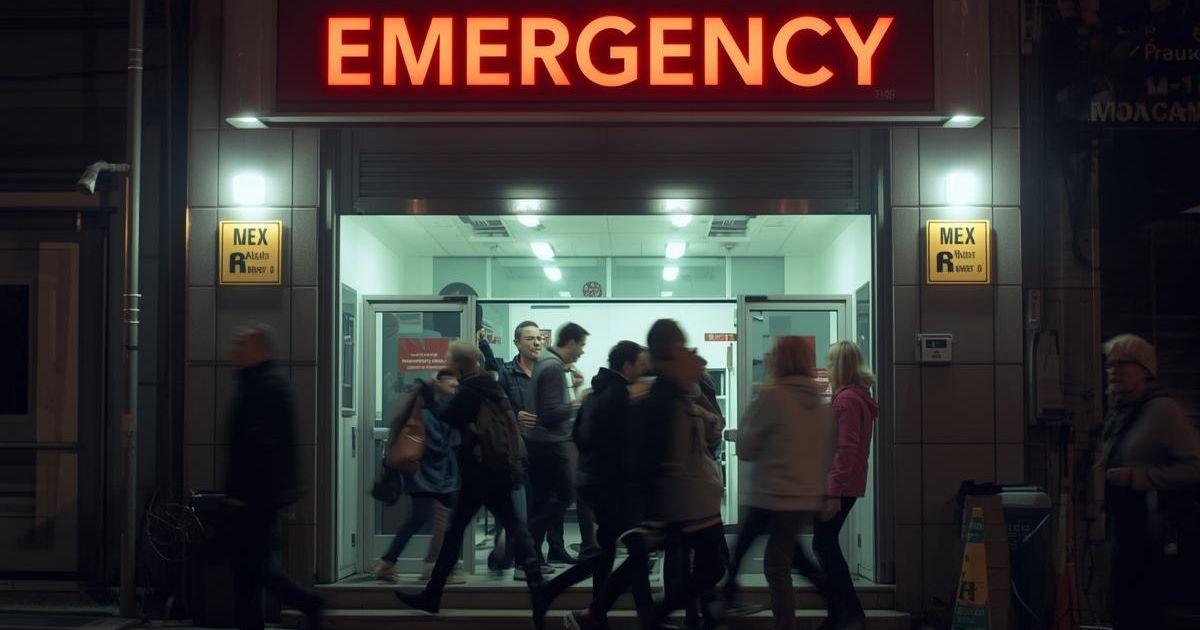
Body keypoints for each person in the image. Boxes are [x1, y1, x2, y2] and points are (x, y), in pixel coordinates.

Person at [394, 341, 544, 614]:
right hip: (497, 469)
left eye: (449, 359)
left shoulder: (470, 390)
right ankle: (537, 584)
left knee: (455, 532)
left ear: (458, 365)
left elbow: (447, 417)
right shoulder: (491, 385)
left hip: (479, 472)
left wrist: (432, 394)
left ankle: (433, 595)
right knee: (511, 525)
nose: (446, 363)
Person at [531, 341, 651, 629]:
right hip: (612, 487)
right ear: (627, 366)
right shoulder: (619, 394)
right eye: (642, 363)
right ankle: (562, 596)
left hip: (596, 483)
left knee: (611, 553)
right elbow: (624, 445)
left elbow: (580, 437)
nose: (646, 368)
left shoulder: (597, 391)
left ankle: (602, 613)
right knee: (637, 554)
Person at [727, 336, 836, 630]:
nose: (768, 358)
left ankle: (811, 613)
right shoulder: (822, 404)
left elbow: (747, 449)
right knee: (786, 561)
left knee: (766, 562)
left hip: (770, 496)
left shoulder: (773, 396)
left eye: (773, 354)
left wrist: (741, 432)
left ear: (782, 359)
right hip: (802, 499)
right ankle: (835, 604)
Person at [223, 324, 323, 630]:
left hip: (257, 494)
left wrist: (243, 492)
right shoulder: (259, 383)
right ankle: (256, 622)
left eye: (242, 344)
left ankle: (306, 602)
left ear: (259, 349)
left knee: (254, 566)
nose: (235, 349)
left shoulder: (264, 386)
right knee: (249, 569)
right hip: (258, 492)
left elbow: (261, 445)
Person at [1098, 334, 1200, 629]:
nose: (1114, 370)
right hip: (1123, 530)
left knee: (1141, 609)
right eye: (1110, 364)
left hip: (1151, 533)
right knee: (1122, 607)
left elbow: (1195, 466)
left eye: (1124, 364)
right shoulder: (1121, 411)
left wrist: (1139, 478)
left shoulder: (1162, 411)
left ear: (1145, 370)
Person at [798, 340, 877, 630]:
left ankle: (849, 613)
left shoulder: (846, 401)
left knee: (825, 545)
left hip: (838, 486)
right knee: (825, 544)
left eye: (831, 363)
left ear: (841, 366)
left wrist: (833, 492)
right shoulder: (856, 397)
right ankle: (840, 614)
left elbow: (846, 448)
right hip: (845, 483)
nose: (827, 369)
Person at [371, 369, 464, 585]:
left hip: (424, 476)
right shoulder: (429, 408)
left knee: (417, 519)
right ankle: (433, 569)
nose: (455, 390)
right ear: (439, 383)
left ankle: (387, 563)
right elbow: (436, 444)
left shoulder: (425, 402)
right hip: (432, 477)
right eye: (452, 385)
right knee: (443, 520)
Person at [481, 321, 549, 580]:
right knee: (519, 506)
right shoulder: (506, 372)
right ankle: (519, 558)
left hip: (543, 448)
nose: (536, 343)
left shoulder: (548, 371)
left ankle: (513, 555)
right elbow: (495, 406)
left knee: (536, 507)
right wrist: (512, 414)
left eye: (540, 338)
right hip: (514, 450)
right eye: (530, 338)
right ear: (517, 343)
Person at [528, 322, 589, 566]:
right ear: (571, 343)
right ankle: (527, 549)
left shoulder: (548, 363)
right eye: (582, 345)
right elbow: (550, 414)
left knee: (546, 499)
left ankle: (544, 551)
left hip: (543, 442)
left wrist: (572, 389)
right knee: (564, 495)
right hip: (550, 444)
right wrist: (579, 401)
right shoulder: (552, 367)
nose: (582, 351)